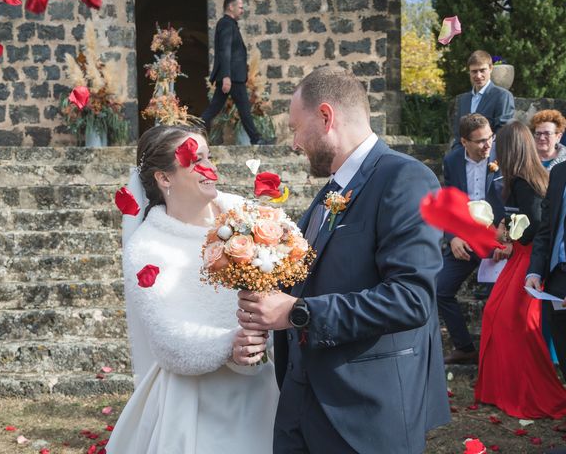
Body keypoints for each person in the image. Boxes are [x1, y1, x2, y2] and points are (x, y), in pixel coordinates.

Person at [236, 67, 450, 453]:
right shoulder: (328, 194)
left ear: (325, 117)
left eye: (296, 128)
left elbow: (411, 299)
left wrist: (298, 312)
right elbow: (310, 279)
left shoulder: (406, 179)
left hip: (364, 413)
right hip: (301, 403)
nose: (295, 143)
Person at [106, 125, 278, 454]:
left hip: (261, 389)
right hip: (195, 404)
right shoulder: (147, 247)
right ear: (164, 179)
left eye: (209, 156)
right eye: (195, 160)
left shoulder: (246, 217)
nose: (210, 167)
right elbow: (166, 337)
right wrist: (230, 344)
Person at [475, 121, 566, 419]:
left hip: (529, 259)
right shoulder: (523, 178)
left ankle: (528, 392)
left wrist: (509, 236)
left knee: (513, 323)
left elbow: (538, 225)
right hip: (522, 256)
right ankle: (503, 389)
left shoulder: (525, 181)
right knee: (496, 316)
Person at [437, 113, 506, 365]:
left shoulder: (503, 155)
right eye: (479, 141)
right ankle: (465, 348)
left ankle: (497, 354)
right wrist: (453, 237)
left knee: (497, 300)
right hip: (465, 239)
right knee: (440, 289)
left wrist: (506, 237)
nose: (487, 145)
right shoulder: (452, 160)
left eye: (489, 138)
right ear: (464, 142)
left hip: (497, 239)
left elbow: (514, 201)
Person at [201, 0, 264, 145]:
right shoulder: (226, 24)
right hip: (233, 77)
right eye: (240, 7)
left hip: (233, 76)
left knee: (215, 107)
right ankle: (256, 138)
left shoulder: (229, 24)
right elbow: (225, 51)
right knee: (244, 109)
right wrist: (227, 76)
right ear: (231, 7)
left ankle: (193, 130)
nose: (242, 11)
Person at [530, 109, 566, 365]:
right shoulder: (559, 173)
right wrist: (534, 272)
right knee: (562, 346)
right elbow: (545, 231)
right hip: (557, 278)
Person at [451, 50, 515, 149]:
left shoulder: (502, 96)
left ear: (490, 68)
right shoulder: (463, 100)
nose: (478, 75)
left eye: (482, 70)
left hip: (490, 156)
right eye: (474, 71)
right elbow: (458, 133)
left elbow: (502, 132)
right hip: (464, 158)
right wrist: (456, 155)